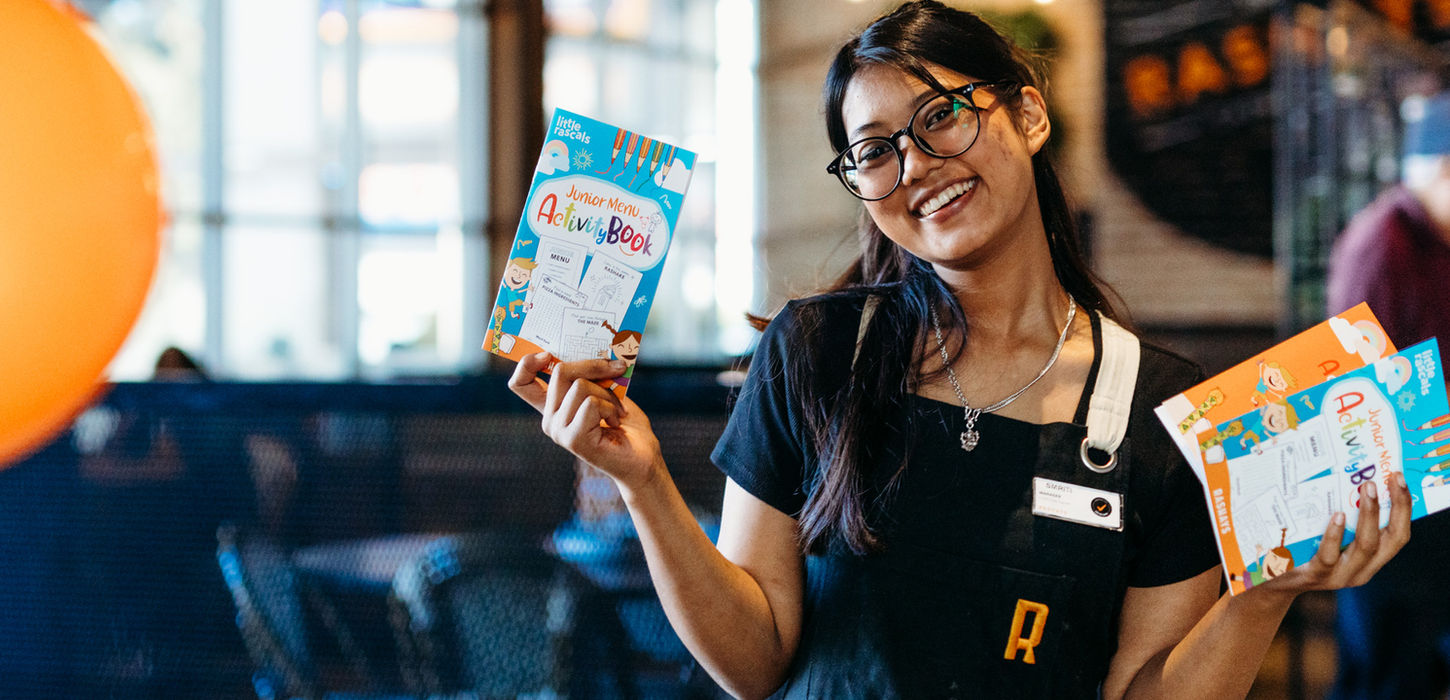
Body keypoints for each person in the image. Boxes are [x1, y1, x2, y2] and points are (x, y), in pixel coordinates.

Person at [510, 3, 1411, 697]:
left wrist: (1261, 596)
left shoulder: (1162, 411)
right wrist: (643, 482)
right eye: (875, 151)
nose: (917, 166)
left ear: (1028, 114)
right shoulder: (817, 352)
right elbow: (754, 662)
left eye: (941, 116)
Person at [1326, 89, 1450, 700]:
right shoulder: (1384, 243)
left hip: (1434, 494)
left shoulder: (1436, 242)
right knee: (1383, 675)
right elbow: (1356, 386)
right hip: (1396, 498)